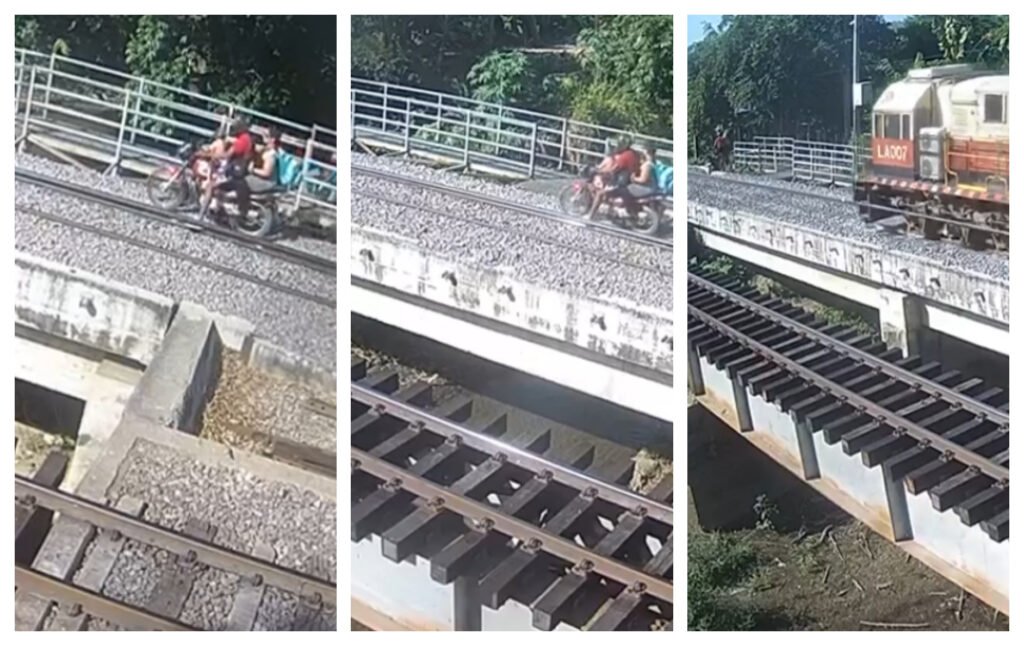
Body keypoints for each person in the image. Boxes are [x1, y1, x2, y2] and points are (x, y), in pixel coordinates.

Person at [200, 117, 255, 218]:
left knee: (211, 186)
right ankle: (216, 211)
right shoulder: (246, 138)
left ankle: (200, 216)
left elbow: (227, 155)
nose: (234, 127)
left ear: (241, 127)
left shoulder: (242, 140)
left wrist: (210, 155)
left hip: (235, 173)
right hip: (238, 171)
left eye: (236, 125)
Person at [586, 136, 640, 220]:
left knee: (600, 193)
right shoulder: (634, 153)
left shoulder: (625, 156)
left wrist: (599, 171)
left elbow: (614, 169)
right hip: (630, 180)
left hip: (621, 182)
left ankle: (590, 216)